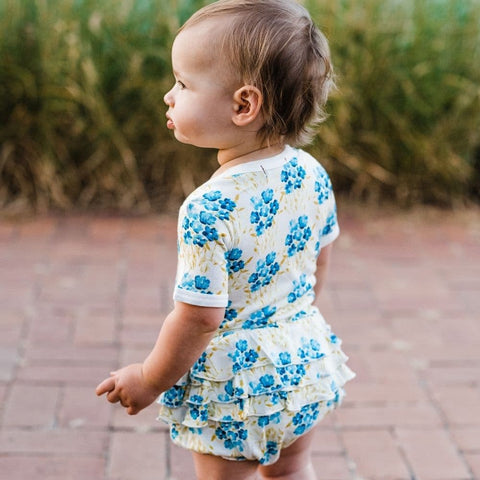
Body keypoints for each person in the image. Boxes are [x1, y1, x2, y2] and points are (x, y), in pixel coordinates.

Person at [96, 1, 355, 478]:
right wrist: (287, 329)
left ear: (243, 105)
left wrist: (149, 379)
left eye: (183, 83)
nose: (169, 96)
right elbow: (320, 259)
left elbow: (198, 318)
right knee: (292, 471)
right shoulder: (311, 173)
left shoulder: (208, 208)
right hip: (305, 359)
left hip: (240, 385)